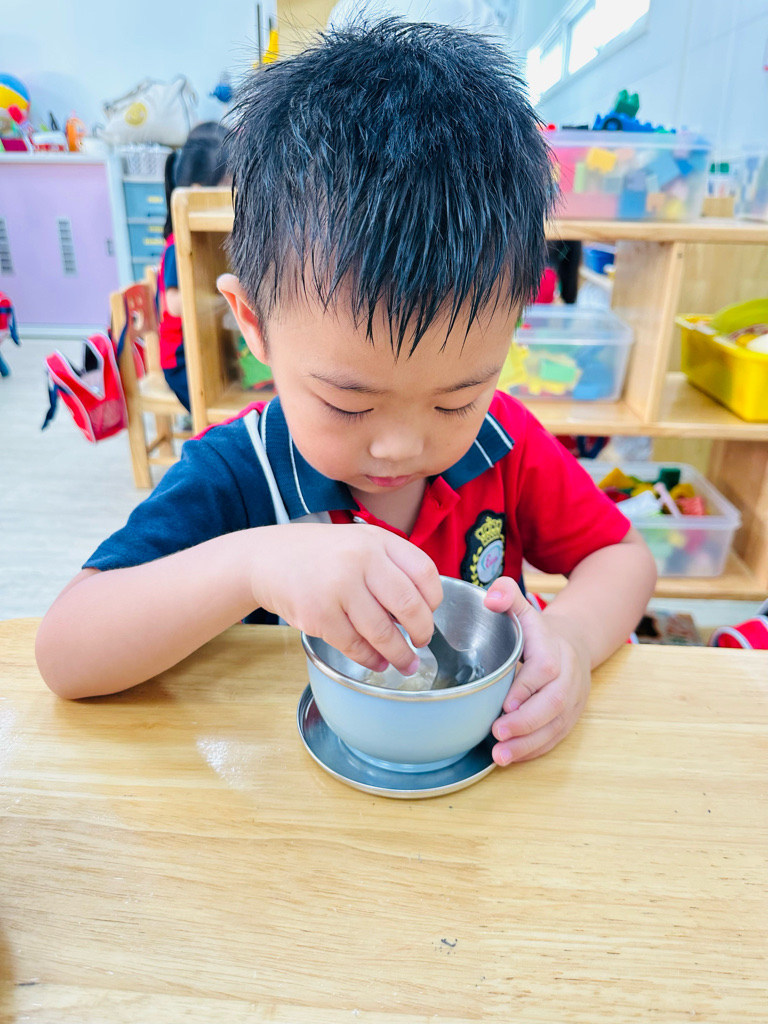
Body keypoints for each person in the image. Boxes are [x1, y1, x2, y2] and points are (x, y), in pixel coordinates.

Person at [36, 22, 657, 767]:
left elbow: (623, 558)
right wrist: (255, 565)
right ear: (253, 325)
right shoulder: (239, 473)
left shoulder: (504, 441)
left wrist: (575, 642)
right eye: (349, 404)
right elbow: (66, 653)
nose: (400, 445)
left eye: (455, 399)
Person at [159, 121, 229, 411]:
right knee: (226, 405)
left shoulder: (211, 238)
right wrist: (219, 302)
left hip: (204, 345)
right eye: (227, 187)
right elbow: (173, 305)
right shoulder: (179, 244)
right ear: (199, 192)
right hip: (182, 361)